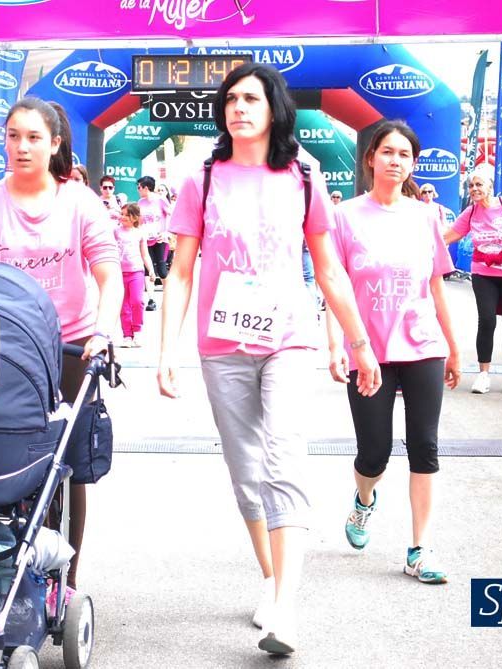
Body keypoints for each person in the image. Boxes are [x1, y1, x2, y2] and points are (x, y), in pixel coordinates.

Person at [157, 62, 380, 656]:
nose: (238, 107)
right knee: (246, 472)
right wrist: (167, 349)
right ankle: (269, 578)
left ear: (274, 108)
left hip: (288, 338)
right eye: (231, 99)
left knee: (284, 459)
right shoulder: (202, 179)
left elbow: (328, 268)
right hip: (222, 344)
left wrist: (358, 343)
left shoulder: (303, 174)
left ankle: (285, 604)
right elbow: (180, 273)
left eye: (251, 99)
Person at [0, 96, 123, 606]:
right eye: (13, 136)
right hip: (5, 351)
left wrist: (103, 331)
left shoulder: (80, 202)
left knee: (66, 468)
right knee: (4, 460)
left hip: (71, 347)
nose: (22, 147)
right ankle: (1, 568)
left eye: (33, 137)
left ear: (54, 144)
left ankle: (63, 583)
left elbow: (108, 272)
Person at [326, 121, 460, 585]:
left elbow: (436, 286)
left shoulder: (426, 216)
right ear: (370, 158)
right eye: (387, 152)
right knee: (374, 452)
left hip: (422, 344)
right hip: (368, 350)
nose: (395, 161)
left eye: (404, 154)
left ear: (413, 164)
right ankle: (364, 500)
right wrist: (337, 346)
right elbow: (334, 287)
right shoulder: (344, 217)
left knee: (425, 446)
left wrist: (454, 348)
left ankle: (419, 550)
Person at [444, 168, 502, 395]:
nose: (474, 189)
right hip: (483, 271)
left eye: (479, 184)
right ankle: (483, 374)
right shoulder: (470, 212)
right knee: (486, 320)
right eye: (471, 185)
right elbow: (448, 236)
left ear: (490, 187)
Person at [115, 203, 155, 348]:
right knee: (124, 305)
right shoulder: (115, 232)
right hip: (119, 273)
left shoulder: (139, 233)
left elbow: (145, 254)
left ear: (135, 217)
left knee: (137, 301)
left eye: (127, 214)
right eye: (122, 214)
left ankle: (137, 332)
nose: (123, 217)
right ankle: (127, 335)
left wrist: (151, 270)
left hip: (136, 271)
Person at [136, 176, 173, 280]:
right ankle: (150, 291)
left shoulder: (161, 200)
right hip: (146, 239)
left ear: (146, 188)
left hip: (160, 239)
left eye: (139, 187)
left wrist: (166, 233)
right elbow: (139, 221)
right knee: (148, 269)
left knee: (162, 271)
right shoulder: (140, 202)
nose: (138, 190)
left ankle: (169, 287)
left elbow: (173, 216)